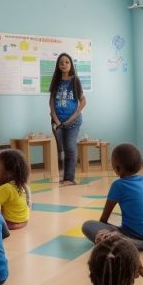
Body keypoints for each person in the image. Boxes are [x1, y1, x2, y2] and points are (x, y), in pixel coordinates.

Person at [81, 144, 143, 251]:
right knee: (118, 218)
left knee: (87, 225)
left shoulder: (118, 185)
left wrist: (104, 229)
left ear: (117, 168)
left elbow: (103, 219)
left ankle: (116, 243)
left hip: (135, 240)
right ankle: (118, 239)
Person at [49, 52, 87, 186]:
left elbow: (83, 101)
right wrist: (56, 120)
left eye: (67, 62)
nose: (64, 64)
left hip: (73, 122)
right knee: (62, 149)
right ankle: (65, 177)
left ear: (71, 64)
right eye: (61, 63)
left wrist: (72, 118)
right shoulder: (56, 81)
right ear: (58, 66)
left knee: (70, 148)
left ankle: (70, 179)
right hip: (57, 122)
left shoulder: (75, 80)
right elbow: (51, 102)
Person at [0, 149, 31, 230]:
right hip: (24, 221)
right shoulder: (21, 185)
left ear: (9, 171)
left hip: (11, 223)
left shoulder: (6, 188)